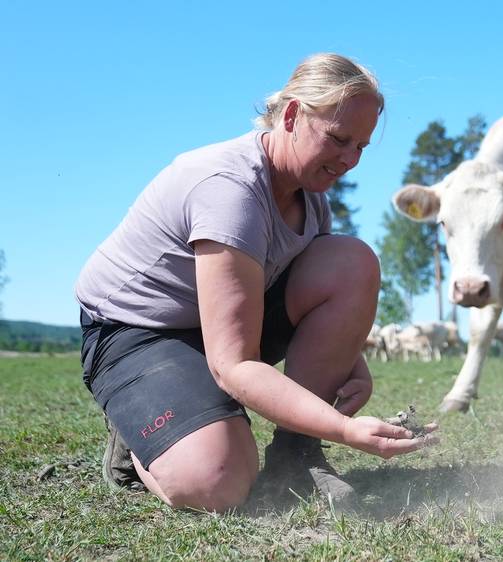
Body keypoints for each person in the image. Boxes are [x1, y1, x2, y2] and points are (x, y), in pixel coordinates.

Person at [75, 53, 436, 512]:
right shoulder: (229, 189)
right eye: (339, 138)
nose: (350, 160)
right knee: (216, 481)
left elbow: (318, 293)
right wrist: (343, 428)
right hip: (137, 332)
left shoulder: (311, 196)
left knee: (351, 259)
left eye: (361, 147)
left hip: (225, 326)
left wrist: (352, 364)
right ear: (291, 115)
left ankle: (296, 455)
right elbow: (233, 363)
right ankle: (140, 435)